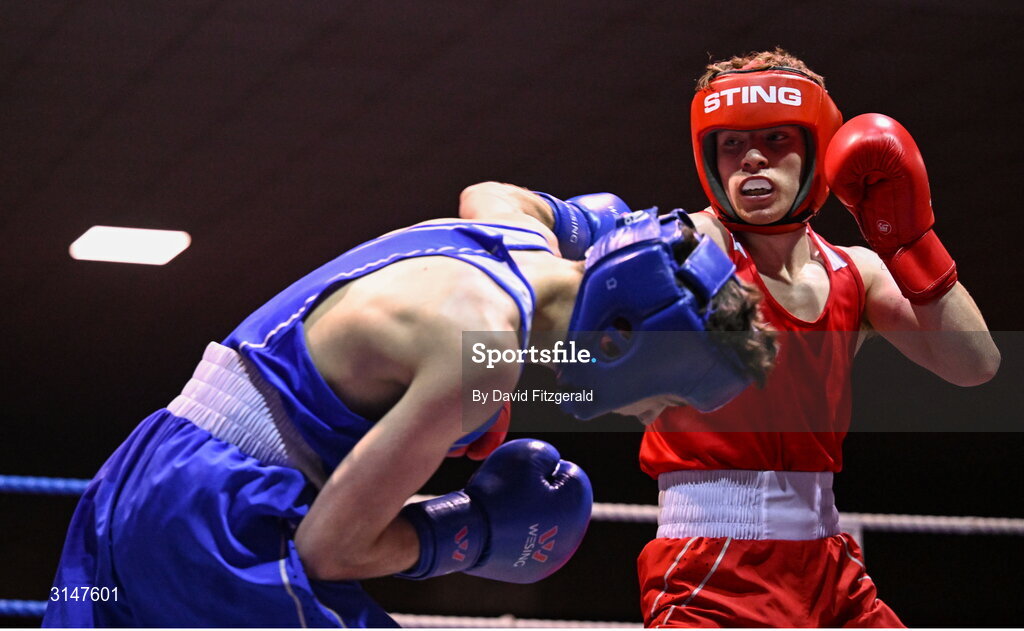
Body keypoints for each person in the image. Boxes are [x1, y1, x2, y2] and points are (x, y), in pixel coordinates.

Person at [43, 191, 774, 627]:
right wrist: (469, 531)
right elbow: (331, 549)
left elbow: (493, 190)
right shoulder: (478, 358)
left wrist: (611, 234)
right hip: (219, 523)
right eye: (664, 397)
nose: (650, 419)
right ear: (616, 342)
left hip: (148, 466)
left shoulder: (517, 233)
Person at [632, 49, 1002, 627]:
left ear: (817, 148)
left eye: (777, 138)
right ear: (709, 156)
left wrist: (911, 242)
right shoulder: (682, 249)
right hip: (711, 570)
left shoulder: (857, 270)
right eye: (730, 143)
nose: (752, 157)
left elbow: (975, 364)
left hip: (828, 566)